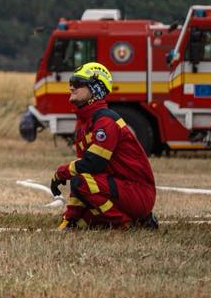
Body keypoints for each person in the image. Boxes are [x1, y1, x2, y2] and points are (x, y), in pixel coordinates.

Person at [50, 61, 158, 230]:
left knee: (80, 181)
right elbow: (86, 173)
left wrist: (61, 172)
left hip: (137, 192)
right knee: (81, 224)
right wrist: (69, 218)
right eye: (71, 83)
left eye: (78, 83)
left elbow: (93, 164)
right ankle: (142, 221)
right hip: (119, 189)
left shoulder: (105, 121)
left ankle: (125, 224)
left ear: (96, 89)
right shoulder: (86, 125)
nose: (71, 88)